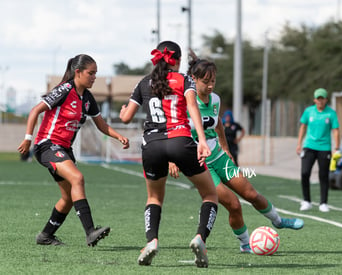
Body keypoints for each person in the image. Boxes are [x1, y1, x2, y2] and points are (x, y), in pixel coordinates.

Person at [169, 53, 304, 254]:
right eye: (206, 82)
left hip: (219, 157)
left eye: (213, 81)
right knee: (233, 204)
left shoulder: (215, 99)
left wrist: (226, 148)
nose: (211, 86)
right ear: (194, 79)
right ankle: (245, 244)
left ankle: (278, 220)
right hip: (199, 164)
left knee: (251, 194)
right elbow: (172, 129)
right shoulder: (184, 102)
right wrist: (172, 160)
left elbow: (218, 124)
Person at [119, 41, 218, 268]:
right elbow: (193, 108)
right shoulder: (185, 80)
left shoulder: (144, 82)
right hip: (180, 141)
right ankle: (200, 238)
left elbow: (125, 118)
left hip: (151, 145)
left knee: (154, 198)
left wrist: (124, 112)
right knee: (210, 195)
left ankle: (151, 241)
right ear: (177, 60)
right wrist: (202, 141)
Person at [17, 54, 130, 247]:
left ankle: (45, 236)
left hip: (65, 149)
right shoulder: (64, 89)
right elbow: (35, 110)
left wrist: (118, 136)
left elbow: (101, 124)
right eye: (91, 73)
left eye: (96, 73)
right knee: (77, 178)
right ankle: (90, 232)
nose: (94, 77)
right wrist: (28, 139)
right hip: (47, 145)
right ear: (77, 72)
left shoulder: (87, 98)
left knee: (68, 198)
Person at [296, 88, 340, 212]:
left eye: (322, 98)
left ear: (326, 99)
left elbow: (336, 130)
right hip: (309, 145)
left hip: (324, 147)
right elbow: (303, 127)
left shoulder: (331, 113)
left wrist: (337, 147)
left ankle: (323, 203)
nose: (320, 101)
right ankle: (306, 201)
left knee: (323, 175)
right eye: (318, 98)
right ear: (314, 99)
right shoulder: (308, 111)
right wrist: (299, 144)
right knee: (305, 173)